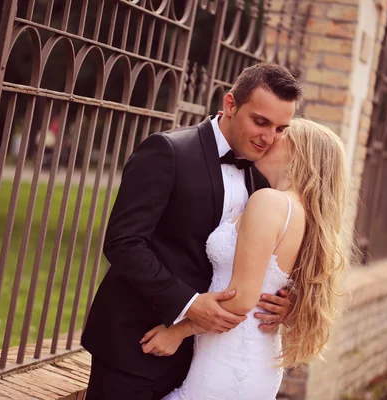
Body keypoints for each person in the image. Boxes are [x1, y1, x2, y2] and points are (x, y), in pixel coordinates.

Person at [81, 63, 302, 399]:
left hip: (204, 358)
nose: (269, 138)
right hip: (137, 343)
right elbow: (124, 242)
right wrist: (188, 304)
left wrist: (286, 304)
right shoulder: (167, 151)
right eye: (260, 121)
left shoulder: (263, 177)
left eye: (281, 128)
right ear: (230, 104)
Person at [141, 118, 351, 399]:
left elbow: (241, 299)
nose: (270, 138)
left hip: (229, 357)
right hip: (252, 355)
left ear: (299, 153)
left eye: (281, 134)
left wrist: (178, 331)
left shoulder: (270, 202)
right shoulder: (301, 211)